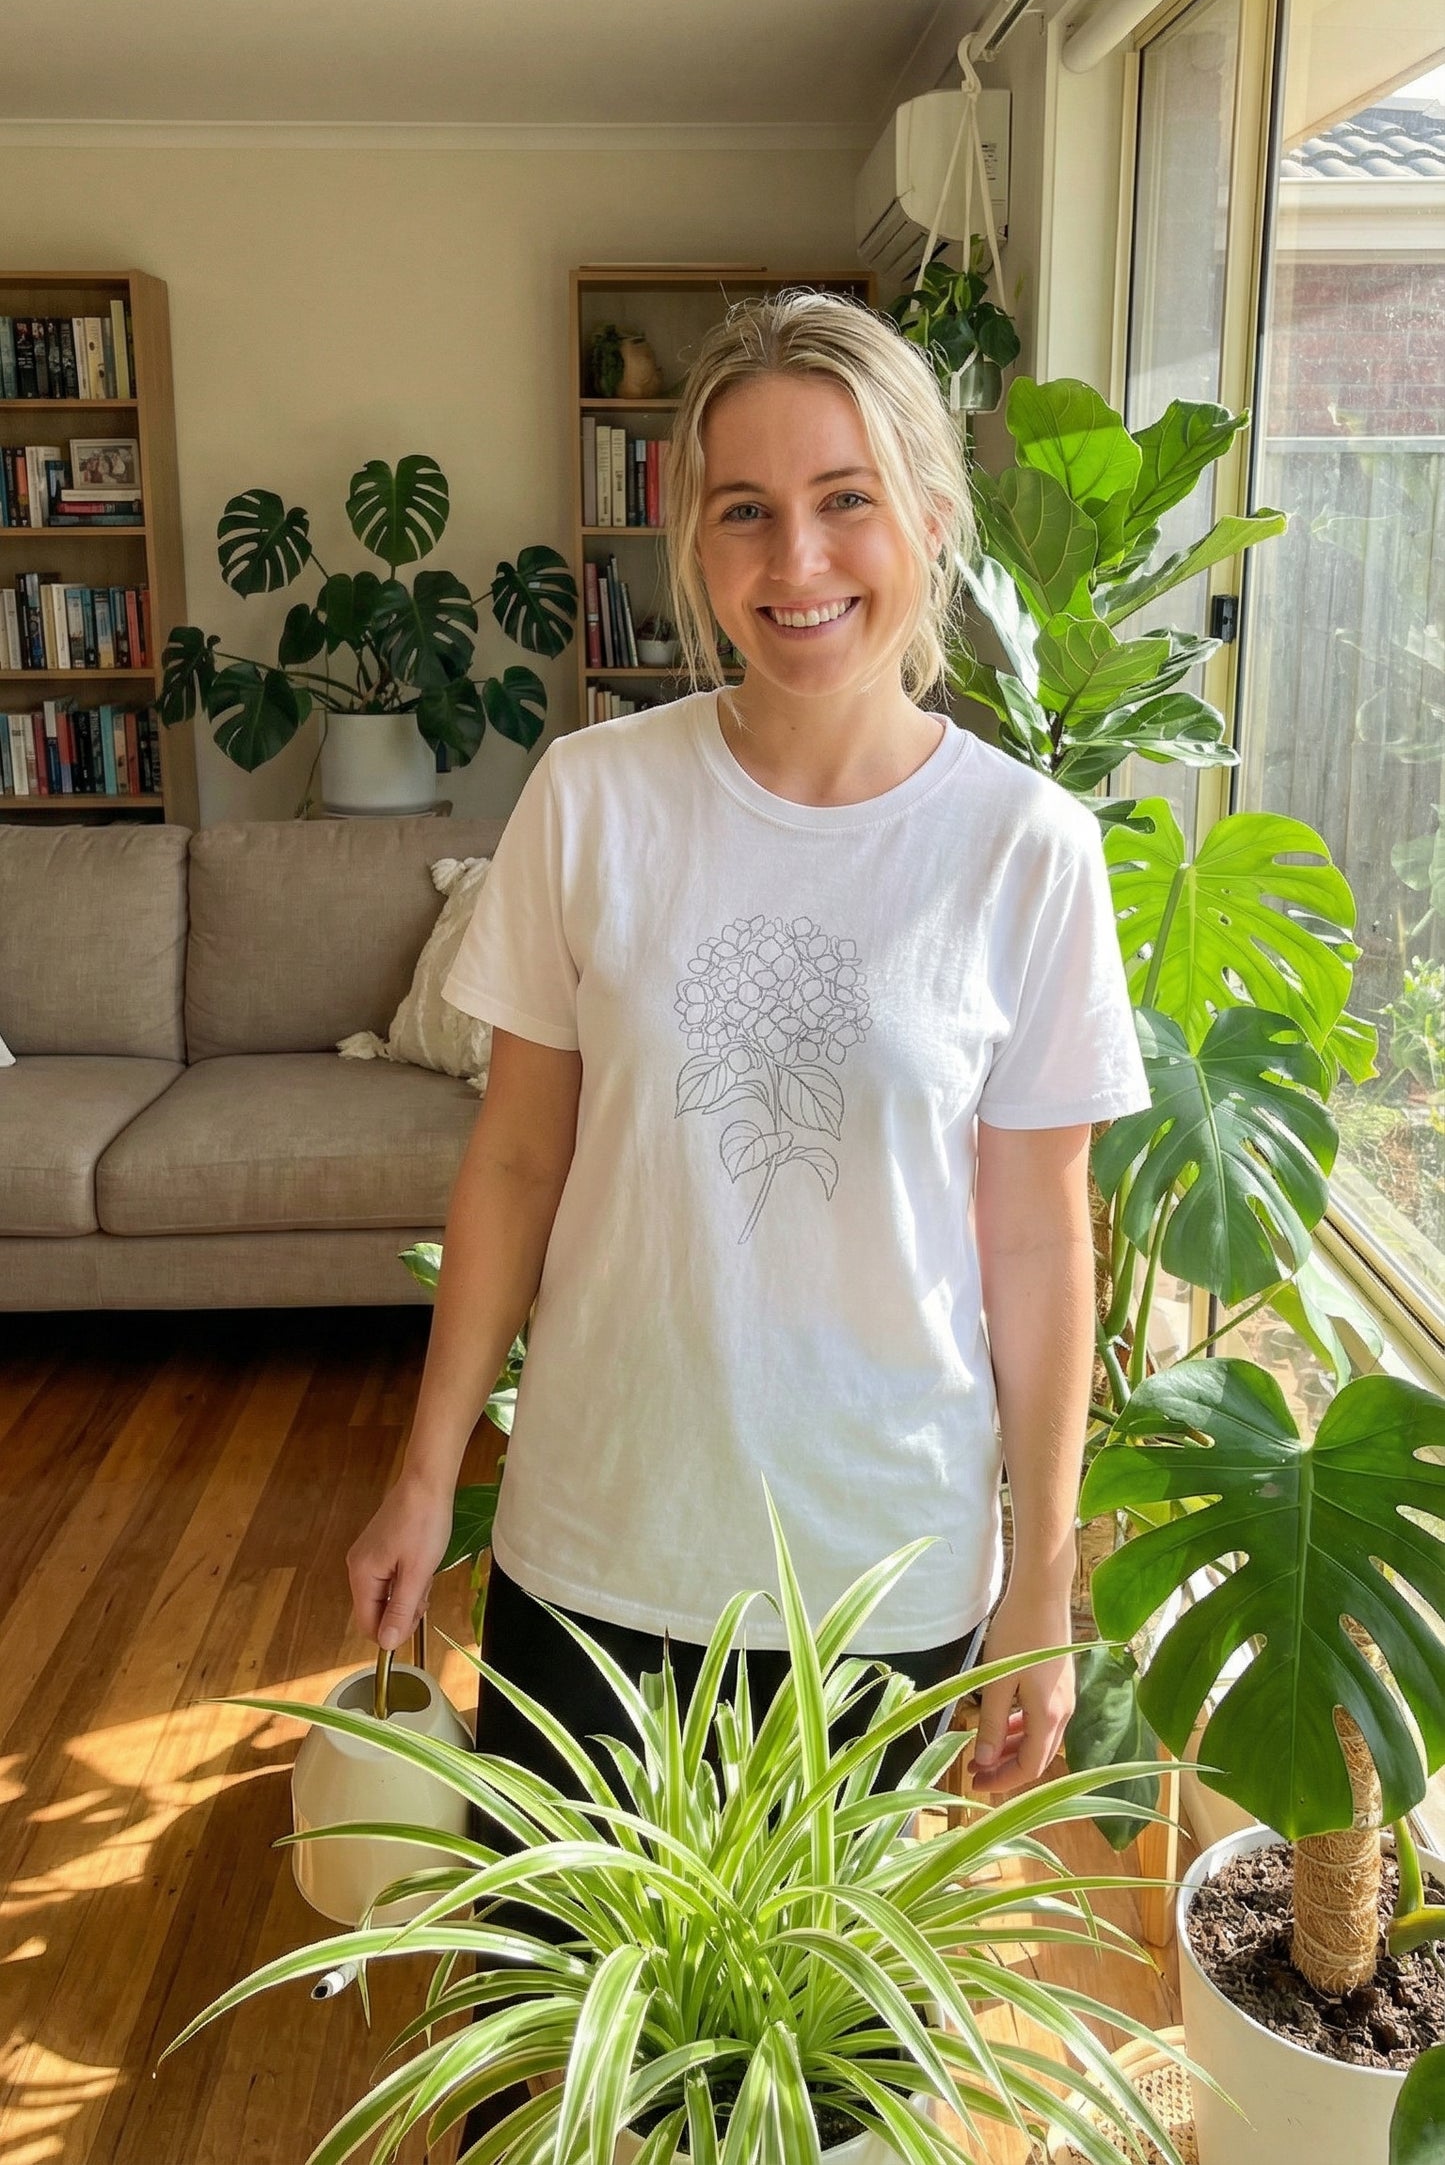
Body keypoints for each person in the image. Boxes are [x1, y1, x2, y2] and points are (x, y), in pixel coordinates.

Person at [347, 285, 1151, 1972]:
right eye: (746, 510)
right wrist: (426, 1473)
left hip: (878, 1573)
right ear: (690, 543)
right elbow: (513, 1159)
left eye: (845, 497)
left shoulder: (1024, 849)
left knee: (815, 2086)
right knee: (563, 2045)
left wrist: (1039, 1591)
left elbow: (1033, 1237)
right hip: (596, 1535)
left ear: (927, 516)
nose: (799, 558)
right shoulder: (593, 795)